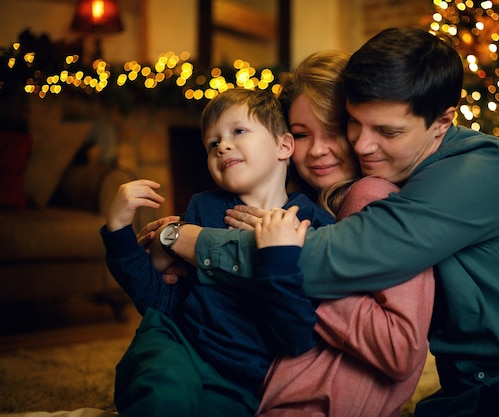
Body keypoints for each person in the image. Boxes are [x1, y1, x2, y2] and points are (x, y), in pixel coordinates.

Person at [163, 27, 499, 417]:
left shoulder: (476, 173)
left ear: (443, 122)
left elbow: (332, 260)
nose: (363, 147)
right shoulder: (359, 185)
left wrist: (190, 240)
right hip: (479, 392)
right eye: (354, 124)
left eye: (387, 132)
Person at [147, 50, 435, 417]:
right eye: (301, 134)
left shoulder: (373, 198)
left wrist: (190, 240)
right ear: (284, 142)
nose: (316, 150)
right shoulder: (290, 203)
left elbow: (397, 349)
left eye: (333, 131)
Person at [100, 88, 336, 417]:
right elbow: (162, 300)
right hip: (176, 345)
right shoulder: (203, 207)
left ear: (283, 146)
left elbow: (297, 340)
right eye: (212, 143)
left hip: (242, 380)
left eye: (238, 131)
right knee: (162, 394)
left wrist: (276, 260)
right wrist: (118, 231)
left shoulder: (316, 225)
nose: (222, 145)